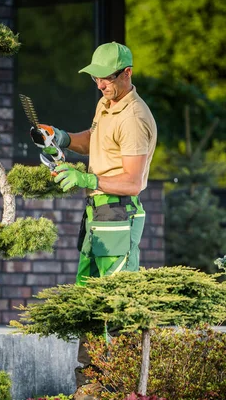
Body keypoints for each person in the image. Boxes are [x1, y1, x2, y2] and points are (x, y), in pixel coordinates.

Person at [40, 42, 157, 400]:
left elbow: (133, 182)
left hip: (119, 217)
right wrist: (61, 138)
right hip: (96, 216)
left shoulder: (135, 118)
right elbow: (95, 141)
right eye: (96, 79)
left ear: (127, 74)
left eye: (107, 79)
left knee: (116, 306)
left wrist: (88, 179)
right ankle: (89, 387)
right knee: (89, 304)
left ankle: (118, 388)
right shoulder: (106, 105)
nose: (101, 85)